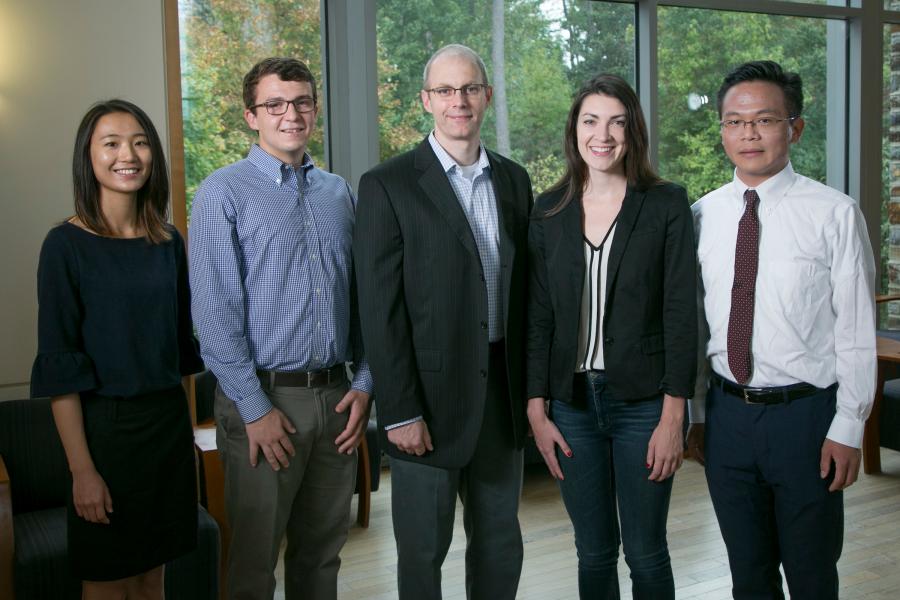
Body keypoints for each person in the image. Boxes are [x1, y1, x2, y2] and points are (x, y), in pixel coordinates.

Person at [687, 60, 876, 599]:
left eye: (765, 120)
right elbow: (696, 327)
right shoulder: (701, 217)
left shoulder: (834, 214)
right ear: (722, 129)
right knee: (748, 574)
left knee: (813, 574)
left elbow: (857, 331)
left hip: (807, 421)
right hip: (726, 419)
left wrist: (849, 426)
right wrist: (698, 415)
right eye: (734, 121)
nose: (749, 134)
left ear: (794, 127)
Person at [353, 44, 532, 600]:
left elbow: (526, 296)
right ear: (427, 100)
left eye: (471, 89)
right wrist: (399, 410)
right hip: (424, 405)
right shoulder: (388, 185)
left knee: (500, 546)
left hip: (501, 397)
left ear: (487, 97)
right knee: (423, 552)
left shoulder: (514, 180)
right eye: (447, 91)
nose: (460, 101)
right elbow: (379, 312)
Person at [189, 57, 372, 600]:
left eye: (302, 102)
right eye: (275, 104)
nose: (291, 114)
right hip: (265, 403)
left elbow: (364, 299)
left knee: (322, 557)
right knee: (253, 565)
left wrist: (364, 384)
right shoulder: (222, 193)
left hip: (337, 400)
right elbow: (215, 315)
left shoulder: (339, 193)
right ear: (252, 115)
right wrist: (254, 410)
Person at [526, 74, 696, 599]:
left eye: (617, 122)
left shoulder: (665, 203)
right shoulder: (548, 209)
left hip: (644, 404)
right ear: (574, 129)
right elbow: (538, 316)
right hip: (570, 406)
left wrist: (674, 416)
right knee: (593, 552)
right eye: (591, 121)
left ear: (633, 132)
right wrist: (537, 408)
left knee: (646, 553)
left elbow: (681, 312)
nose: (603, 135)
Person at [30, 99, 203, 599]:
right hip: (105, 439)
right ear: (88, 157)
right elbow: (61, 370)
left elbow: (180, 357)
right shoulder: (64, 246)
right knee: (108, 584)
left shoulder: (167, 241)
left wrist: (187, 442)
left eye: (140, 141)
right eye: (111, 143)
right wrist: (82, 472)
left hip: (166, 436)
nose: (128, 154)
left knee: (153, 581)